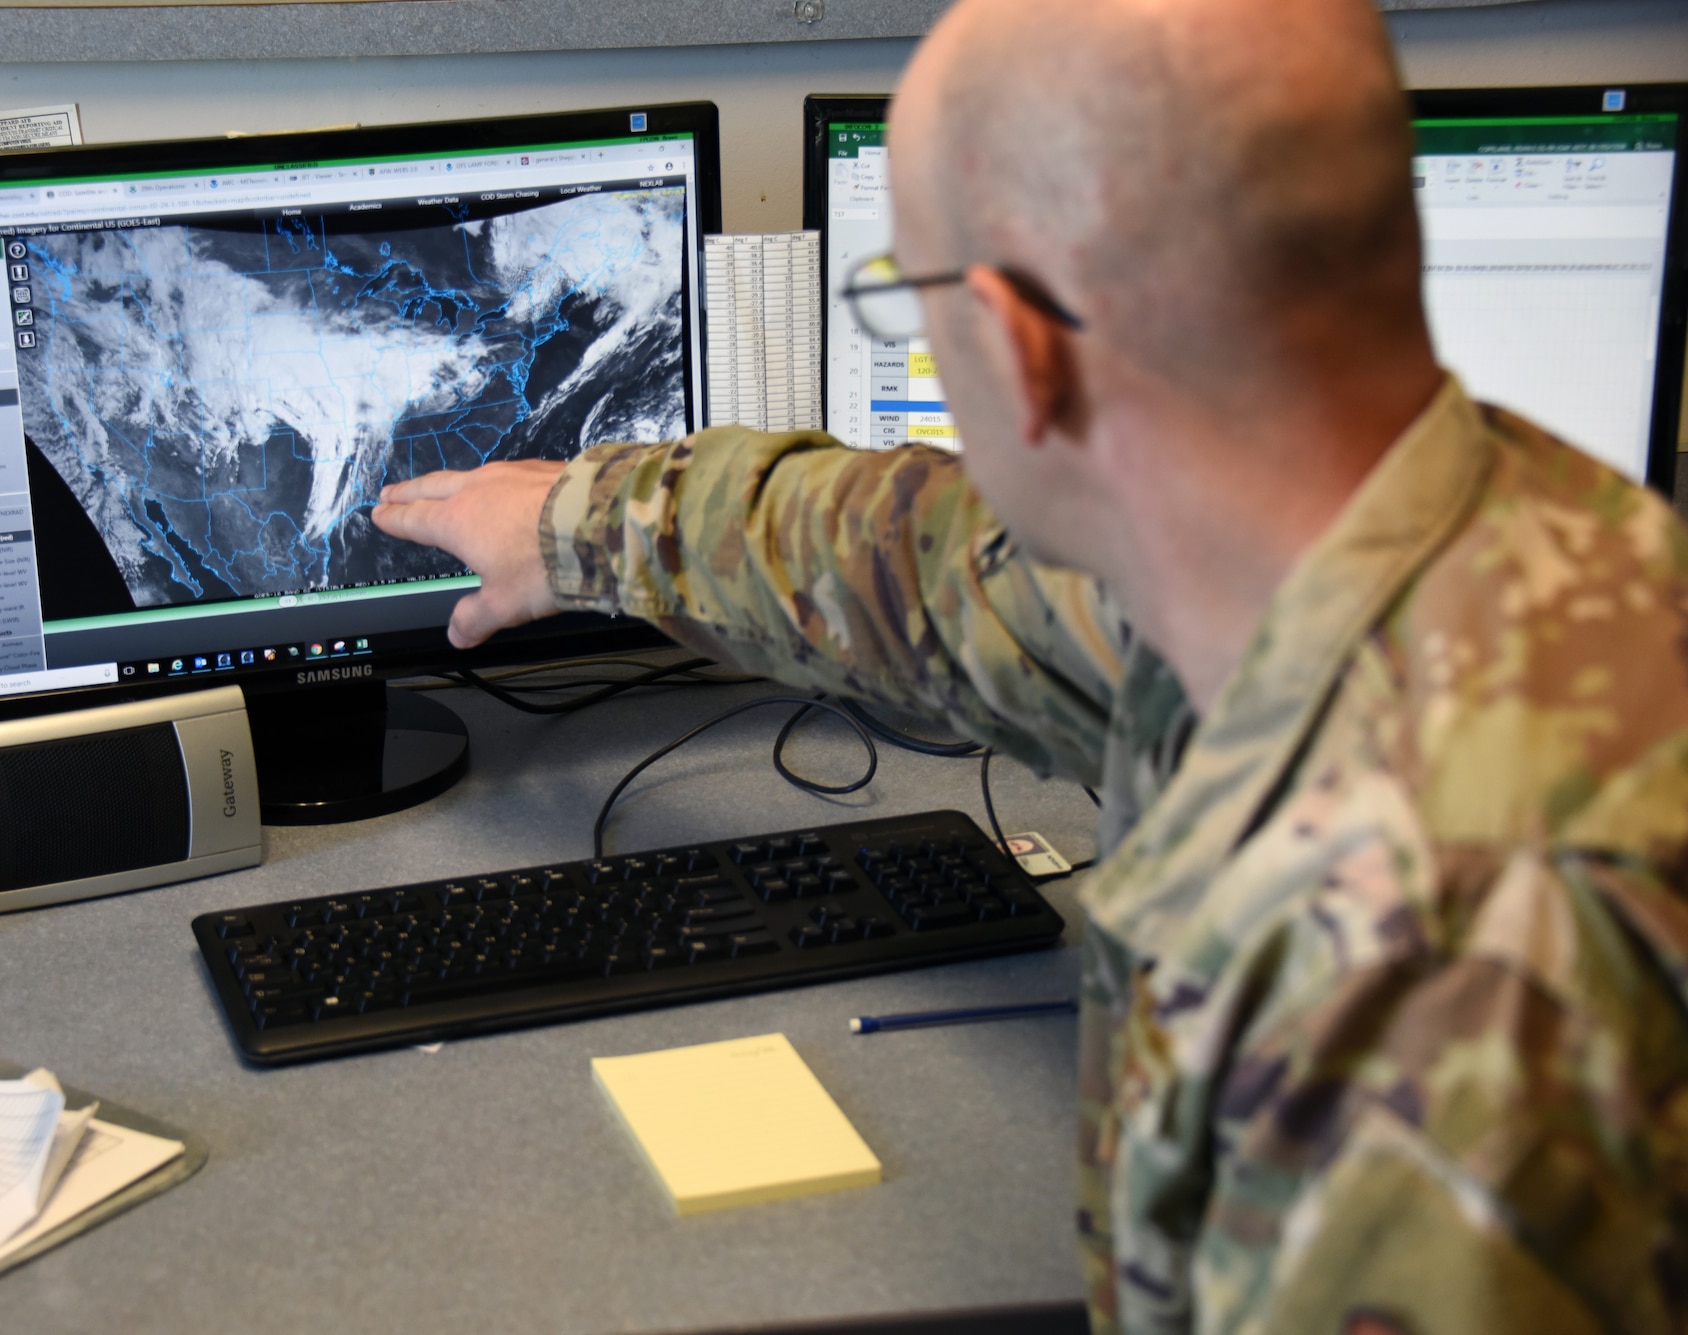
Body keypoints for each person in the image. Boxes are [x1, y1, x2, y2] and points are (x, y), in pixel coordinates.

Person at [374, 0, 1688, 1328]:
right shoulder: (1423, 542)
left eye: (914, 303)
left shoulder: (1428, 965)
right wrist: (578, 522)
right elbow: (929, 572)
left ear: (1017, 346)